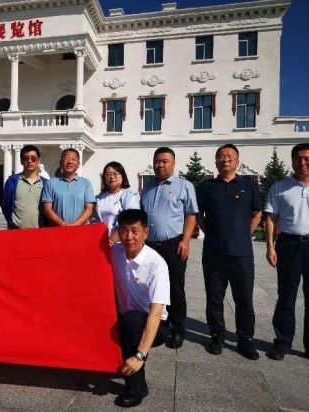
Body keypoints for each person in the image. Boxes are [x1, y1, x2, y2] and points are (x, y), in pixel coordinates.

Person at [265, 143, 309, 368]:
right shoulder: (280, 187)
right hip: (289, 246)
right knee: (286, 295)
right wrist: (270, 246)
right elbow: (271, 218)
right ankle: (282, 341)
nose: (302, 162)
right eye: (297, 158)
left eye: (307, 158)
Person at [197, 144, 262, 359]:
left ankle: (245, 339)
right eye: (221, 157)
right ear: (216, 161)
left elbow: (257, 213)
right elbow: (198, 214)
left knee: (243, 298)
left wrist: (244, 233)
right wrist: (209, 231)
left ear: (237, 160)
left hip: (241, 252)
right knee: (214, 296)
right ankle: (217, 335)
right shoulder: (207, 186)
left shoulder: (248, 185)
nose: (225, 160)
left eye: (229, 156)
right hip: (214, 252)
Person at [111, 209, 170, 408]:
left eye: (135, 231)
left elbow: (156, 312)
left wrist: (140, 356)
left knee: (132, 321)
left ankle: (135, 386)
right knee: (123, 321)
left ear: (146, 233)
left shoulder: (156, 264)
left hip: (155, 325)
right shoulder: (115, 252)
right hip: (125, 316)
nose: (129, 237)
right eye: (124, 230)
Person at [140, 147, 198, 349]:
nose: (160, 165)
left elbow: (191, 215)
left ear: (173, 163)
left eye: (165, 161)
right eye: (157, 161)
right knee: (151, 287)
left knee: (175, 288)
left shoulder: (184, 186)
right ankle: (157, 326)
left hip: (173, 244)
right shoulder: (147, 187)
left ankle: (178, 328)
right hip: (150, 246)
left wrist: (185, 240)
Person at [41, 148, 95, 226]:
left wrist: (76, 225)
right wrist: (63, 225)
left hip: (80, 229)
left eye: (73, 159)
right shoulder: (51, 183)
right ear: (60, 163)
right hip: (57, 229)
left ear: (78, 164)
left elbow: (89, 209)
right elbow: (47, 209)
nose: (70, 162)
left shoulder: (86, 183)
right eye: (66, 158)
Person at [1, 145, 48, 229]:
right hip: (17, 231)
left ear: (39, 161)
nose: (30, 161)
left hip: (39, 231)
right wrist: (11, 222)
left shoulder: (45, 183)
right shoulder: (12, 182)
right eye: (26, 158)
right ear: (21, 161)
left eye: (33, 158)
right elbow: (5, 204)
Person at [94, 161, 140, 245]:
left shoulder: (130, 195)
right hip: (101, 242)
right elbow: (94, 219)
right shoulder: (99, 198)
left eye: (115, 173)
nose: (112, 177)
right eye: (108, 174)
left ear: (122, 176)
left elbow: (131, 219)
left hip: (121, 242)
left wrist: (112, 240)